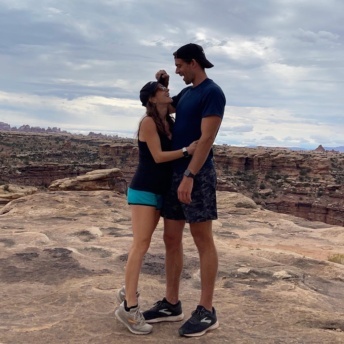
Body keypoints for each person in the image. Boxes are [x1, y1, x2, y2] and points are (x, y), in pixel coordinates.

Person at [142, 43, 226, 337]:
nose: (177, 71)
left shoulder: (212, 93)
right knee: (171, 237)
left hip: (196, 173)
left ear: (193, 63)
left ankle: (206, 310)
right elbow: (166, 106)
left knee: (202, 238)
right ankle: (172, 303)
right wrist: (162, 85)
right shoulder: (189, 93)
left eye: (179, 66)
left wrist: (190, 174)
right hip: (176, 172)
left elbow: (206, 139)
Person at [115, 80, 198, 335]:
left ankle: (126, 291)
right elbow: (159, 156)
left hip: (161, 191)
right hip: (144, 191)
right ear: (152, 99)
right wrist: (187, 150)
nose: (167, 94)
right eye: (162, 92)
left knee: (146, 244)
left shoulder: (166, 120)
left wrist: (162, 82)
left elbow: (175, 102)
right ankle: (129, 308)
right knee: (140, 245)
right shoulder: (148, 122)